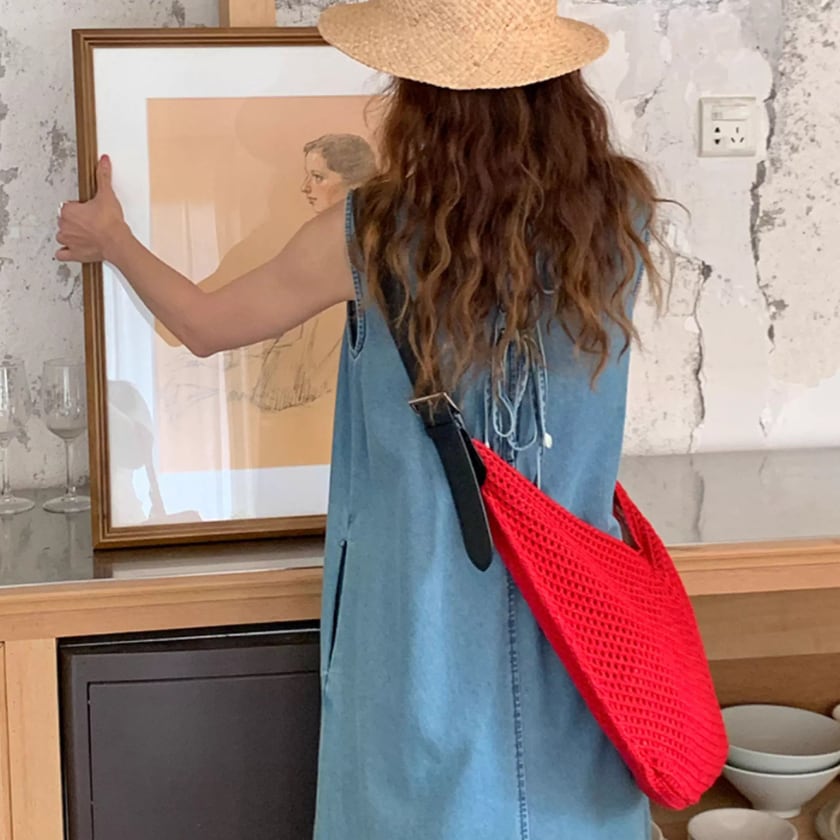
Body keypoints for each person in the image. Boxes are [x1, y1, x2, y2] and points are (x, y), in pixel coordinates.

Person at [56, 0, 665, 837]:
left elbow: (203, 325)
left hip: (421, 614)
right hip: (582, 612)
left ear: (420, 96)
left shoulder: (373, 232)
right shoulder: (621, 214)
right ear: (559, 85)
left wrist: (113, 240)